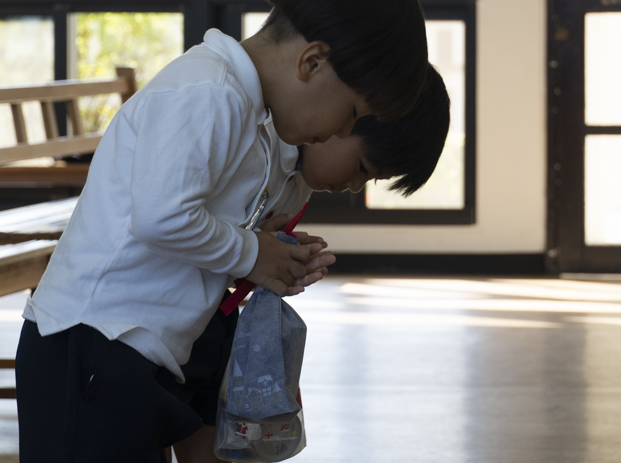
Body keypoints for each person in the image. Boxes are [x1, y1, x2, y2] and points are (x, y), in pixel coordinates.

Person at [14, 0, 430, 463]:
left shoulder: (245, 108)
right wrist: (254, 253)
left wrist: (267, 249)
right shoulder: (210, 92)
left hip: (135, 348)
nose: (343, 130)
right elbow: (161, 217)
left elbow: (188, 229)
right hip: (91, 342)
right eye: (350, 112)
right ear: (312, 62)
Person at [171, 66, 450, 463]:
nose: (354, 186)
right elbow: (173, 227)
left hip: (207, 324)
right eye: (362, 168)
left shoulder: (297, 184)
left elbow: (228, 251)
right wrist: (253, 251)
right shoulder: (242, 129)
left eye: (369, 180)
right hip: (159, 329)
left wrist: (268, 253)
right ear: (343, 116)